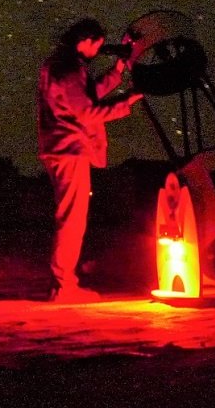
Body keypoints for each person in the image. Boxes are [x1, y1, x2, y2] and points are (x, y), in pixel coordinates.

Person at [37, 17, 142, 302]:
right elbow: (88, 112)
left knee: (69, 217)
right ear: (86, 40)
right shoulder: (70, 68)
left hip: (58, 148)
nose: (98, 49)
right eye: (97, 43)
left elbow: (86, 96)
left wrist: (117, 72)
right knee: (72, 220)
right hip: (69, 149)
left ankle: (62, 283)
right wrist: (126, 103)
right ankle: (64, 286)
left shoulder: (59, 64)